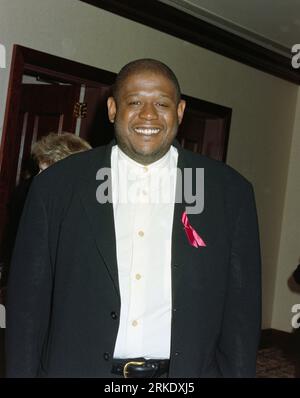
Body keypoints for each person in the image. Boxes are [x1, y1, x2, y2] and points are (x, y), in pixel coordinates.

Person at [6, 59, 261, 378]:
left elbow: (241, 319)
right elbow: (27, 308)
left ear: (180, 111)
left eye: (162, 103)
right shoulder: (55, 186)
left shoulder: (229, 193)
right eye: (135, 102)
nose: (149, 115)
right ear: (112, 109)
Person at [0, 133, 91, 297]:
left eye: (44, 172)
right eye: (39, 170)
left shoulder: (84, 220)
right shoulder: (31, 201)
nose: (37, 180)